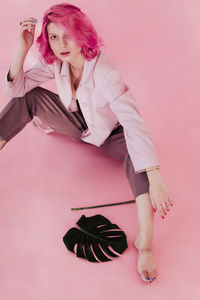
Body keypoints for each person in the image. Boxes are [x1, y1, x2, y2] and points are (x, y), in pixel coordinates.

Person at [2, 3, 173, 283]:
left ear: (81, 32)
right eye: (54, 37)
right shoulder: (55, 60)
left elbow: (134, 123)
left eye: (67, 34)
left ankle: (146, 243)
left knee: (136, 153)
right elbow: (16, 89)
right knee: (28, 99)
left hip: (112, 134)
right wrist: (22, 49)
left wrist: (155, 176)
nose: (61, 44)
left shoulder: (106, 72)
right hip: (78, 124)